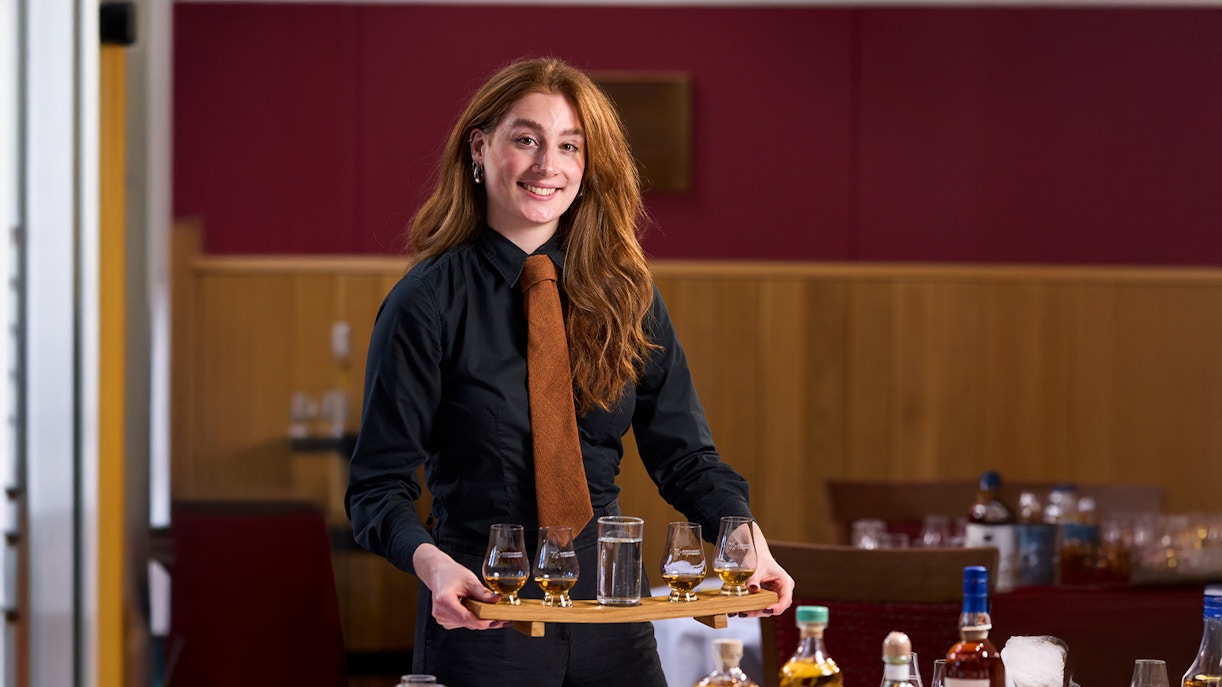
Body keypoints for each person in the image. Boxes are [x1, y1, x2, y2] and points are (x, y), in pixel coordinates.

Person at [346, 57, 794, 686]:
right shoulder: (425, 301)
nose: (546, 166)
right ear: (481, 148)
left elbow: (687, 458)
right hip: (483, 611)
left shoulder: (626, 293)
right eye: (525, 139)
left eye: (568, 146)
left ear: (587, 168)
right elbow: (377, 488)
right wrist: (434, 565)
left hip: (612, 610)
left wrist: (743, 536)